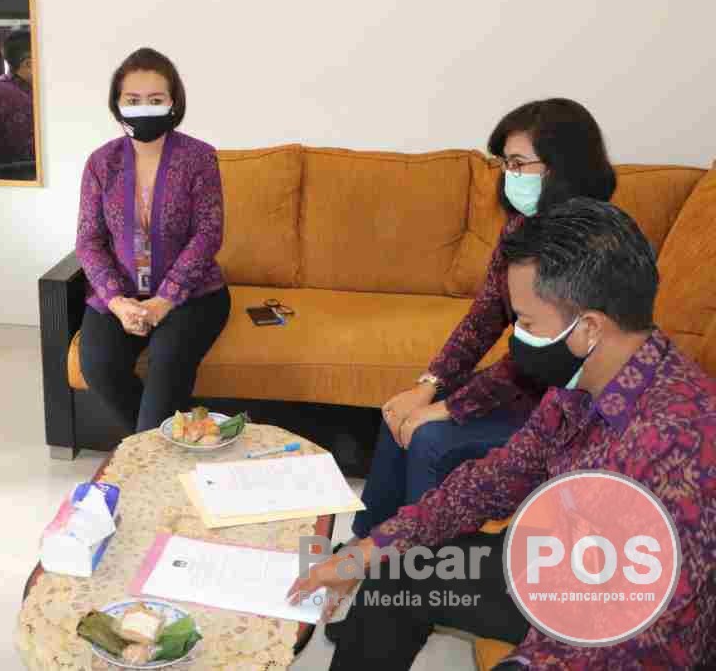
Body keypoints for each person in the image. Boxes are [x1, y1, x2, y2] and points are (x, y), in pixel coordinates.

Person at [291, 199, 716, 669]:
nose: (517, 338)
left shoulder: (680, 442)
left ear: (590, 327)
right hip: (557, 560)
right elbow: (492, 481)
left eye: (528, 323)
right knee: (397, 572)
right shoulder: (580, 383)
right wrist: (367, 550)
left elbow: (633, 639)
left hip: (613, 626)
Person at [352, 99, 617, 539]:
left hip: (569, 404)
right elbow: (484, 317)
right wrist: (428, 386)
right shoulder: (522, 227)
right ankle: (369, 541)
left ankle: (425, 565)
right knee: (399, 411)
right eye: (505, 163)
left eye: (519, 164)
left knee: (429, 438)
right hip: (527, 385)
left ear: (561, 166)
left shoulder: (591, 242)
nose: (509, 175)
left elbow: (540, 360)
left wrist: (444, 409)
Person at [76, 47, 231, 433]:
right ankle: (173, 439)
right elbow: (89, 241)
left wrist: (165, 300)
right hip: (121, 294)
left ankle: (153, 444)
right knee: (98, 364)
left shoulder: (199, 158)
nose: (144, 108)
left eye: (155, 99)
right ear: (117, 104)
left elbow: (208, 234)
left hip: (192, 296)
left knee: (167, 365)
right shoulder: (101, 163)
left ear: (173, 102)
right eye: (133, 100)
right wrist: (117, 302)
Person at [0, 28, 35, 163]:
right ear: (28, 64)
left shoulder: (3, 83)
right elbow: (31, 152)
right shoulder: (14, 99)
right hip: (23, 170)